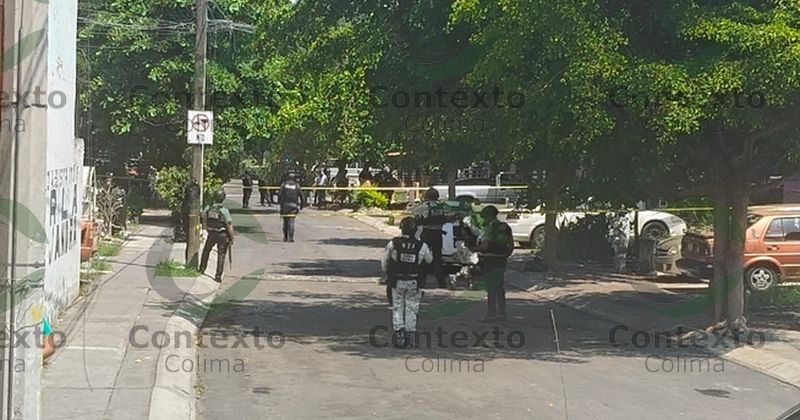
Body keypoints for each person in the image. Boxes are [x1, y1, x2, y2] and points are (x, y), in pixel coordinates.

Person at [382, 217, 433, 348]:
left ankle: (400, 331)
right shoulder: (422, 246)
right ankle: (410, 335)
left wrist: (386, 275)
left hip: (396, 281)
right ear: (416, 230)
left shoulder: (393, 243)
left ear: (401, 228)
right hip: (414, 282)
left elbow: (385, 261)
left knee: (397, 307)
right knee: (412, 309)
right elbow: (429, 260)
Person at [476, 205, 514, 322]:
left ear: (488, 216)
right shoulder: (505, 227)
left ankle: (491, 314)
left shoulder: (489, 228)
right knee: (499, 286)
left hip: (490, 259)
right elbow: (511, 245)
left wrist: (475, 249)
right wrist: (505, 255)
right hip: (501, 259)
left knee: (491, 287)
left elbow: (486, 246)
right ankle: (502, 314)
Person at [413, 187, 448, 288]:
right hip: (438, 233)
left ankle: (421, 282)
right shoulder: (442, 206)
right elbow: (449, 215)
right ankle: (441, 282)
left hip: (427, 233)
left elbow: (413, 212)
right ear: (437, 196)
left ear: (427, 196)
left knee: (423, 256)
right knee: (438, 258)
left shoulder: (424, 206)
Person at [199, 192, 234, 283]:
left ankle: (202, 269)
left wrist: (205, 228)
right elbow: (229, 225)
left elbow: (203, 215)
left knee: (206, 251)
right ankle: (218, 276)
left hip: (211, 234)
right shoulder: (224, 210)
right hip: (222, 234)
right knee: (221, 255)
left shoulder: (209, 208)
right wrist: (232, 237)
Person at [278, 172, 306, 242]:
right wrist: (302, 205)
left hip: (285, 205)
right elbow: (302, 196)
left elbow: (280, 195)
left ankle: (285, 237)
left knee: (285, 221)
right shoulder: (297, 185)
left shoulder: (284, 184)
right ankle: (290, 237)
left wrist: (280, 204)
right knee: (291, 221)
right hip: (293, 206)